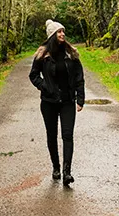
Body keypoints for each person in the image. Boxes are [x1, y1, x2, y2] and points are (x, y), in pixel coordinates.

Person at [29, 19, 85, 186]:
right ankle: (56, 167)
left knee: (68, 135)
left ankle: (67, 172)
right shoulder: (42, 55)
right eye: (59, 32)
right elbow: (33, 75)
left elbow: (79, 77)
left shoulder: (71, 53)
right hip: (48, 102)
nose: (62, 34)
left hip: (68, 100)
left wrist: (80, 98)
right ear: (52, 35)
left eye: (63, 31)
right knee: (51, 136)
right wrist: (44, 86)